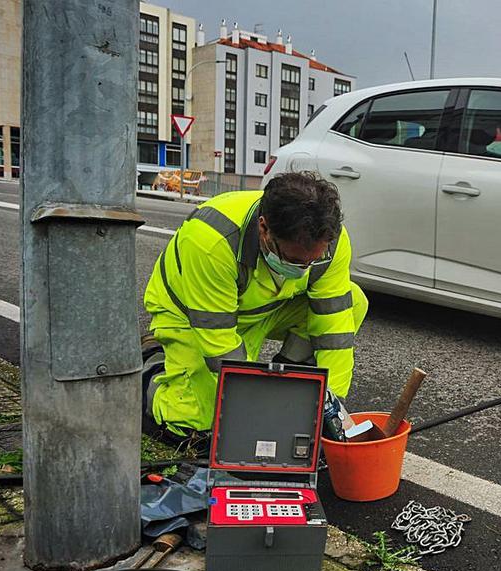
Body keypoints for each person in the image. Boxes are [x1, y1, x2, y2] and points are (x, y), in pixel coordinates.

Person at [140, 171, 367, 450]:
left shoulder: (330, 240)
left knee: (354, 300)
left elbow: (334, 327)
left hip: (268, 306)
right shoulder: (211, 240)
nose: (305, 269)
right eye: (295, 261)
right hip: (192, 315)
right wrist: (259, 411)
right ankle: (150, 368)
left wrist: (330, 402)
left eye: (313, 261)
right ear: (264, 229)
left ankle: (292, 385)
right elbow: (219, 345)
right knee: (194, 424)